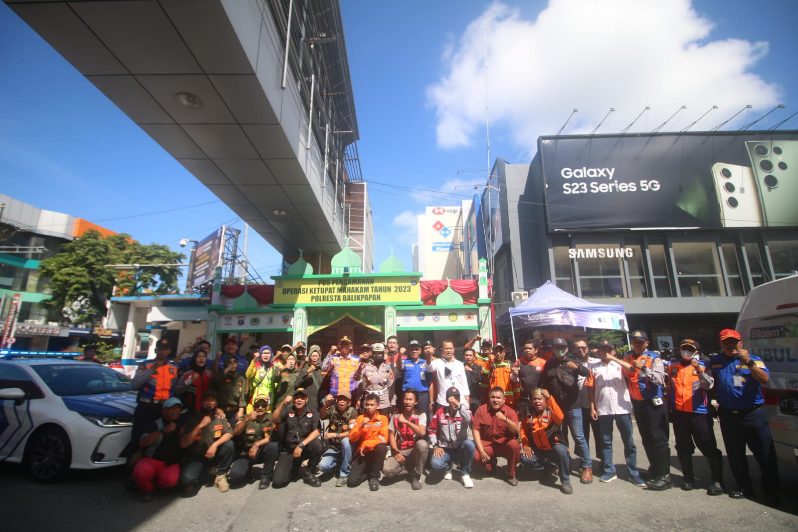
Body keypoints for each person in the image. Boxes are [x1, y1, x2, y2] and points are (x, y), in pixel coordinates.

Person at [710, 329, 780, 506]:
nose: (730, 345)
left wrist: (748, 362)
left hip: (752, 414)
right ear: (721, 344)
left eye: (734, 341)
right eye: (726, 342)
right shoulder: (716, 362)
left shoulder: (754, 360)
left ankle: (771, 491)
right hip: (728, 415)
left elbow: (764, 379)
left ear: (741, 343)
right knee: (735, 455)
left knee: (764, 453)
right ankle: (744, 486)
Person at [668, 338, 724, 495]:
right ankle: (688, 478)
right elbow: (670, 386)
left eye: (689, 349)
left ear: (696, 352)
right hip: (680, 414)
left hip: (699, 413)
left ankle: (717, 480)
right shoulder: (673, 366)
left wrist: (699, 370)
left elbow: (709, 385)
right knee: (683, 446)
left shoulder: (705, 365)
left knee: (707, 445)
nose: (685, 351)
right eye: (683, 348)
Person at [588, 341, 645, 487]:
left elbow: (632, 370)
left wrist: (614, 359)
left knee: (629, 442)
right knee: (606, 442)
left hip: (622, 408)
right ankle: (609, 471)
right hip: (603, 408)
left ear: (613, 351)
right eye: (602, 350)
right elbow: (591, 389)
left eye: (609, 350)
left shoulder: (620, 364)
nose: (605, 352)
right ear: (599, 352)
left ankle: (633, 473)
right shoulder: (593, 367)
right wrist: (592, 407)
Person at [622, 330, 671, 490]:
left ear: (647, 343)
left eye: (640, 342)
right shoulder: (628, 357)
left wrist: (644, 369)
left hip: (654, 403)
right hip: (639, 404)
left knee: (659, 439)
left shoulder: (654, 358)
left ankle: (665, 476)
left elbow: (660, 379)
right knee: (646, 439)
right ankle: (655, 469)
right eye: (635, 341)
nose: (637, 344)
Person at [540, 337, 592, 484]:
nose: (559, 349)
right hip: (556, 407)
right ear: (553, 349)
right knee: (561, 437)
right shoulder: (549, 363)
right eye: (556, 347)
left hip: (573, 406)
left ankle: (587, 466)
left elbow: (587, 373)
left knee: (579, 437)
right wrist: (544, 392)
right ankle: (565, 462)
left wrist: (577, 367)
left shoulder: (573, 360)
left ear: (567, 348)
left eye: (562, 347)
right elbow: (543, 382)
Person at [260, 388, 322, 489]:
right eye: (296, 397)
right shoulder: (288, 410)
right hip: (288, 450)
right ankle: (294, 467)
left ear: (306, 399)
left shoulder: (312, 411)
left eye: (302, 398)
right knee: (278, 482)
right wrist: (283, 404)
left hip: (304, 448)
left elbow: (317, 431)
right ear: (293, 399)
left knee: (318, 445)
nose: (299, 400)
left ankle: (309, 472)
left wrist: (301, 445)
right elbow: (274, 419)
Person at [130, 338, 179, 457]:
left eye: (166, 349)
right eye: (160, 349)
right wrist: (152, 369)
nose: (163, 352)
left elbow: (175, 389)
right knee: (139, 436)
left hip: (163, 408)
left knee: (159, 437)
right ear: (156, 350)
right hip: (146, 406)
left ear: (169, 351)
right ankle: (133, 466)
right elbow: (135, 384)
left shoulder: (173, 368)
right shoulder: (145, 364)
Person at [178, 390, 235, 494]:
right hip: (197, 456)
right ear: (201, 402)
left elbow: (230, 433)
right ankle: (203, 472)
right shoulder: (193, 418)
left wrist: (215, 445)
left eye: (212, 400)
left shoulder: (220, 417)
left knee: (229, 445)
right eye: (206, 400)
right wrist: (200, 425)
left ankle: (220, 475)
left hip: (213, 454)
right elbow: (183, 443)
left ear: (216, 403)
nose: (209, 402)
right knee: (187, 482)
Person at [131, 397, 185, 502]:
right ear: (164, 411)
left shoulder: (183, 422)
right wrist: (163, 431)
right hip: (152, 459)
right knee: (141, 472)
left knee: (170, 481)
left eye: (178, 408)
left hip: (170, 463)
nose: (175, 411)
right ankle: (147, 490)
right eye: (171, 408)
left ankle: (154, 482)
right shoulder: (155, 424)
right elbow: (143, 442)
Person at [520, 388, 572, 494]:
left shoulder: (551, 410)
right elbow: (523, 430)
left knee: (562, 451)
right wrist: (526, 445)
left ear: (545, 400)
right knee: (525, 459)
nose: (537, 401)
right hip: (538, 448)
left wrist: (549, 398)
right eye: (534, 399)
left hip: (554, 447)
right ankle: (549, 467)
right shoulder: (528, 411)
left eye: (540, 399)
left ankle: (565, 481)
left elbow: (560, 417)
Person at [472, 386, 521, 485]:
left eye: (498, 398)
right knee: (474, 456)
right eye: (493, 397)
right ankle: (491, 462)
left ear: (504, 400)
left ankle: (511, 473)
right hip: (487, 444)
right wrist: (481, 451)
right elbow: (475, 430)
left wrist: (504, 419)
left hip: (503, 444)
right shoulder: (481, 410)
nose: (495, 400)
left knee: (515, 445)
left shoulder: (510, 412)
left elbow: (516, 430)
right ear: (489, 398)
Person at [428, 386, 475, 488]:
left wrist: (458, 405)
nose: (454, 401)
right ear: (447, 400)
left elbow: (469, 420)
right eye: (451, 398)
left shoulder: (465, 411)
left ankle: (465, 473)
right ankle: (448, 466)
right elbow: (431, 430)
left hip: (459, 447)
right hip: (445, 449)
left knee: (470, 445)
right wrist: (436, 445)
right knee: (436, 464)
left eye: (457, 398)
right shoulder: (440, 412)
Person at [381, 389, 429, 490]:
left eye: (410, 399)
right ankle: (409, 471)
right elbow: (391, 434)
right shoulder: (397, 414)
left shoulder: (421, 414)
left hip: (414, 450)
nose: (408, 402)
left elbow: (422, 432)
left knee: (423, 444)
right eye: (406, 399)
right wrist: (395, 451)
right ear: (403, 400)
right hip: (401, 449)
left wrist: (407, 422)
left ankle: (417, 475)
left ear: (415, 402)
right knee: (386, 471)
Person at [228, 396, 275, 487]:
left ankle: (266, 476)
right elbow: (236, 432)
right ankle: (247, 469)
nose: (260, 408)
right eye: (257, 405)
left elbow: (272, 436)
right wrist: (246, 419)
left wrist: (256, 444)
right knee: (235, 476)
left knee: (273, 446)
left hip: (262, 451)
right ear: (254, 407)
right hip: (246, 453)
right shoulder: (246, 417)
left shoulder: (271, 417)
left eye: (263, 405)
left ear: (267, 407)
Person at [347, 393, 389, 491]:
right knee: (351, 482)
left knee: (382, 447)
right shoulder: (361, 418)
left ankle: (374, 477)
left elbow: (383, 439)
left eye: (372, 405)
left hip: (375, 453)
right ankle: (368, 473)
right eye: (367, 405)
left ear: (377, 406)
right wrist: (362, 425)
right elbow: (352, 438)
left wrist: (366, 444)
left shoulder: (383, 419)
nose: (369, 407)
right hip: (362, 454)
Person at [318, 391, 358, 487]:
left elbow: (352, 432)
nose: (341, 402)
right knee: (322, 466)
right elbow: (322, 416)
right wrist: (325, 404)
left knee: (345, 441)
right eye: (340, 399)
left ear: (349, 403)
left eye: (344, 400)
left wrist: (334, 435)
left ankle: (344, 474)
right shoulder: (332, 409)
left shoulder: (353, 412)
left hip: (347, 445)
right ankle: (338, 464)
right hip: (334, 446)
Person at [572, 339, 600, 458]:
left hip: (598, 405)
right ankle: (584, 461)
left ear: (588, 349)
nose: (581, 349)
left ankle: (603, 461)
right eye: (577, 347)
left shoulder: (597, 362)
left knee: (601, 435)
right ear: (574, 350)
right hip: (580, 405)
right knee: (582, 436)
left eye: (583, 347)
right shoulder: (571, 363)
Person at [426, 339, 470, 410]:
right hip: (443, 401)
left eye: (451, 348)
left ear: (454, 349)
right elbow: (429, 368)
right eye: (446, 348)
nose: (449, 350)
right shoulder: (437, 362)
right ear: (442, 349)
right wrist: (429, 356)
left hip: (459, 400)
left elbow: (464, 383)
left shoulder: (459, 364)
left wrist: (466, 397)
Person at [355, 342, 394, 415]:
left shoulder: (388, 367)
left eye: (380, 353)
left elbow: (390, 385)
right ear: (372, 354)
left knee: (383, 422)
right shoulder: (365, 366)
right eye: (375, 353)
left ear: (383, 354)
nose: (377, 355)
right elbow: (356, 378)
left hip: (383, 400)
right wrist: (360, 365)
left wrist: (391, 400)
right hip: (369, 399)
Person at [512, 339, 547, 419]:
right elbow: (513, 380)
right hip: (523, 399)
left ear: (536, 350)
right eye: (525, 348)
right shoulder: (518, 362)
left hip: (537, 400)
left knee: (537, 424)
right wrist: (514, 373)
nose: (527, 350)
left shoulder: (543, 363)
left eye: (530, 348)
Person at [395, 340, 430, 414]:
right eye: (412, 349)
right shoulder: (405, 362)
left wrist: (429, 354)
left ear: (420, 351)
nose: (414, 351)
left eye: (416, 349)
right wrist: (400, 354)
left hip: (422, 394)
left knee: (423, 415)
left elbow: (430, 367)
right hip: (408, 394)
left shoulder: (425, 362)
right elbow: (399, 366)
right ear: (408, 351)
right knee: (408, 415)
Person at [322, 336, 361, 400]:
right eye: (342, 344)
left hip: (351, 393)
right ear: (339, 346)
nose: (344, 346)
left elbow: (359, 377)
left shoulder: (356, 359)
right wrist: (330, 353)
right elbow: (324, 368)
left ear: (350, 346)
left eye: (346, 344)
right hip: (336, 394)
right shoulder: (334, 358)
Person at [176, 348, 215, 413]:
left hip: (207, 410)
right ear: (194, 359)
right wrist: (190, 380)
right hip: (190, 410)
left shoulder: (210, 374)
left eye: (203, 356)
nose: (201, 358)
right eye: (198, 356)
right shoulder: (186, 374)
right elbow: (178, 391)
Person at [213, 356, 246, 425]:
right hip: (220, 410)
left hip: (234, 411)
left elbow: (242, 396)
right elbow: (214, 383)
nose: (233, 364)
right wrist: (227, 369)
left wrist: (241, 410)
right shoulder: (220, 376)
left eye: (235, 362)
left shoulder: (240, 378)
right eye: (230, 362)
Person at [243, 345, 276, 414]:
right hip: (255, 402)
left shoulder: (275, 367)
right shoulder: (256, 366)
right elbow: (248, 375)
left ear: (271, 355)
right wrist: (253, 361)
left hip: (269, 403)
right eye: (264, 353)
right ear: (260, 355)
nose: (266, 355)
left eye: (268, 353)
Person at [297, 345, 323, 409]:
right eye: (313, 356)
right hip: (309, 404)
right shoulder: (305, 369)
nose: (314, 358)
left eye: (316, 356)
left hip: (320, 402)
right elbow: (297, 384)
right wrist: (307, 372)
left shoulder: (321, 369)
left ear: (319, 357)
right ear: (309, 357)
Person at [463, 348, 483, 414]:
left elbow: (480, 379)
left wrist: (471, 370)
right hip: (464, 399)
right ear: (464, 356)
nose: (468, 357)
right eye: (466, 355)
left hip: (475, 399)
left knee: (477, 419)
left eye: (470, 355)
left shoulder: (478, 367)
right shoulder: (460, 367)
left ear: (474, 357)